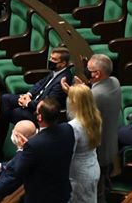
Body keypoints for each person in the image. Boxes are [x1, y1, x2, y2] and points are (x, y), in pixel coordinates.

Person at [61, 54, 121, 203]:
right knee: (104, 181)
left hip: (97, 150)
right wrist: (84, 90)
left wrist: (72, 95)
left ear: (97, 74)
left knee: (97, 192)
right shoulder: (114, 82)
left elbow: (75, 119)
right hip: (111, 143)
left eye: (89, 70)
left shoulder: (95, 95)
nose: (87, 71)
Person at [0, 48, 72, 136]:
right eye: (50, 58)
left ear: (63, 63)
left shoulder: (63, 79)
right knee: (5, 98)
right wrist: (28, 94)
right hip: (33, 100)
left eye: (54, 59)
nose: (50, 61)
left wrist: (28, 103)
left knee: (12, 112)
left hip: (39, 112)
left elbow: (47, 105)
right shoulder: (56, 71)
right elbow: (39, 84)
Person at [15, 97, 75, 203]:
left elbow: (19, 169)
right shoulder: (68, 129)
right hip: (62, 192)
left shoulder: (33, 145)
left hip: (40, 197)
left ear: (39, 117)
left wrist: (21, 149)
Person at [67, 85, 102, 203]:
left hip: (79, 174)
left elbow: (69, 155)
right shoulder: (95, 118)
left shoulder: (74, 126)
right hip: (93, 166)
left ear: (75, 102)